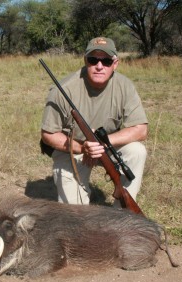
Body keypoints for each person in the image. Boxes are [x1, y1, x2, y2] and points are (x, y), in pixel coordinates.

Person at [41, 37, 148, 206]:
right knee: (76, 216)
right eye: (93, 60)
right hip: (72, 150)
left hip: (107, 147)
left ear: (115, 63)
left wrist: (101, 144)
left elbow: (141, 130)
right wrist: (82, 147)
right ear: (85, 61)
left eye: (106, 61)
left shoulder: (125, 86)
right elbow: (48, 135)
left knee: (137, 151)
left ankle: (123, 214)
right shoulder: (62, 90)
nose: (99, 66)